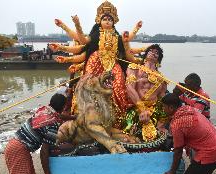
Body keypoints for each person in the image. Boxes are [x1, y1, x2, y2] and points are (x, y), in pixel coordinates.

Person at [49, 1, 146, 129]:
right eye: (104, 18)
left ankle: (117, 120)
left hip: (113, 65)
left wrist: (140, 56)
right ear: (99, 21)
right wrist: (75, 24)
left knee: (118, 88)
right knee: (88, 87)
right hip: (95, 63)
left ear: (114, 22)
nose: (107, 21)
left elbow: (128, 52)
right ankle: (87, 117)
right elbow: (82, 41)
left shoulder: (118, 38)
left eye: (109, 19)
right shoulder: (95, 35)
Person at [161, 93, 216, 174]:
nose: (163, 109)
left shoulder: (177, 124)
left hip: (210, 153)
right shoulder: (189, 109)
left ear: (171, 108)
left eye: (164, 107)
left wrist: (172, 172)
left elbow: (178, 151)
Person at [4, 93, 67, 174]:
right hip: (19, 150)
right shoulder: (53, 124)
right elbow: (44, 151)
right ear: (63, 107)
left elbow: (60, 116)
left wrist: (73, 117)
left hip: (13, 145)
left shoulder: (44, 110)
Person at [124, 44, 167, 141]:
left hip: (154, 110)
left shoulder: (162, 79)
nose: (153, 53)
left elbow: (162, 100)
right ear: (146, 54)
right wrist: (142, 109)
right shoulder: (134, 68)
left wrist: (162, 123)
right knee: (129, 133)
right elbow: (130, 88)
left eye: (157, 53)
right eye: (151, 51)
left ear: (159, 59)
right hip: (136, 107)